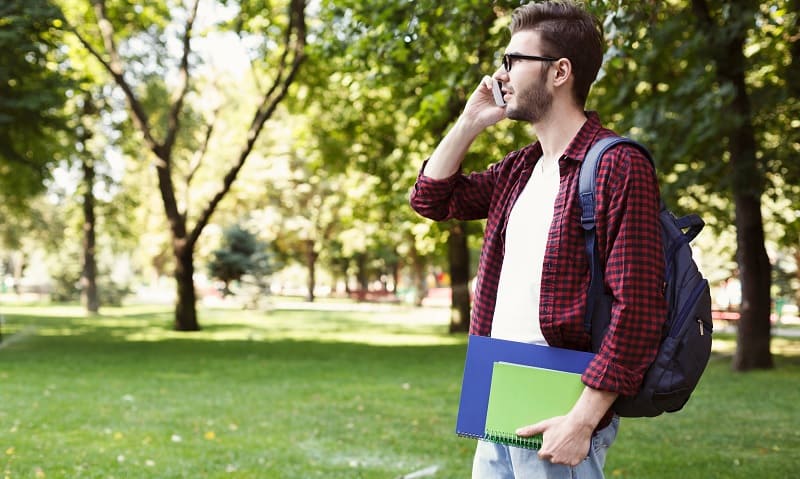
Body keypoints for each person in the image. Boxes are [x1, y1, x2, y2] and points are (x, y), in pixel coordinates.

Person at [409, 2, 667, 478]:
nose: (499, 75)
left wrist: (582, 419)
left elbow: (640, 307)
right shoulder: (519, 168)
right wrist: (469, 122)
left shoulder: (616, 164)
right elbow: (431, 199)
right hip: (498, 383)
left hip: (559, 398)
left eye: (513, 60)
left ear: (560, 72)